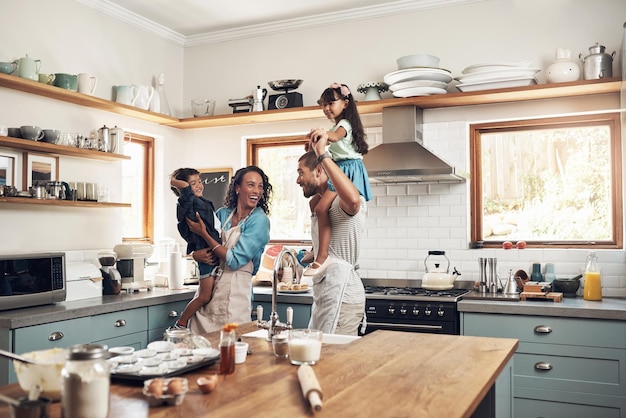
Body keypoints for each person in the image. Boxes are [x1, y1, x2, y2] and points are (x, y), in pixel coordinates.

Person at [186, 166, 272, 334]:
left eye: (260, 186)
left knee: (231, 349)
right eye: (251, 185)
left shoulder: (259, 221)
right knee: (199, 349)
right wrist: (195, 254)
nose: (257, 190)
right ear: (238, 188)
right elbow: (201, 244)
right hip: (210, 290)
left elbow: (234, 261)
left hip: (236, 294)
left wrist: (203, 232)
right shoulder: (222, 214)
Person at [297, 128, 366, 335]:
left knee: (337, 363)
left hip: (343, 296)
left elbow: (354, 201)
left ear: (319, 170)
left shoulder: (341, 202)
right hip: (326, 296)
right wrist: (311, 254)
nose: (298, 179)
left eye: (301, 172)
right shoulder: (319, 205)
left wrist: (322, 154)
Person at [301, 82, 372, 279]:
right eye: (323, 104)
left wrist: (323, 134)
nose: (326, 108)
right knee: (315, 203)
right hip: (339, 171)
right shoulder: (336, 125)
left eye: (330, 103)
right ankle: (317, 247)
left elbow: (333, 137)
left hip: (346, 173)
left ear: (346, 103)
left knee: (322, 208)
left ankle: (322, 256)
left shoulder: (344, 126)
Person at [169, 167, 221, 329]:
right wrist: (173, 181)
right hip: (207, 255)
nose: (199, 185)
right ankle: (180, 324)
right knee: (204, 296)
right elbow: (185, 191)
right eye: (193, 183)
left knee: (208, 295)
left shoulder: (201, 202)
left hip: (211, 254)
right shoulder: (187, 202)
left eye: (199, 181)